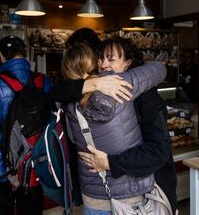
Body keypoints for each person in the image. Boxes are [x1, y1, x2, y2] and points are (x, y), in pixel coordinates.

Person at [50, 31, 178, 212]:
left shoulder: (144, 94)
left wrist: (111, 162)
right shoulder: (82, 92)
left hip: (135, 191)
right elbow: (56, 91)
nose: (103, 65)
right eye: (100, 59)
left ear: (128, 63)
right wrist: (95, 84)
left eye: (111, 59)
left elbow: (158, 150)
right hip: (112, 193)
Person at [0, 35, 52, 215]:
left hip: (0, 165)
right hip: (34, 162)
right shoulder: (44, 81)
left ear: (1, 56)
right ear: (25, 53)